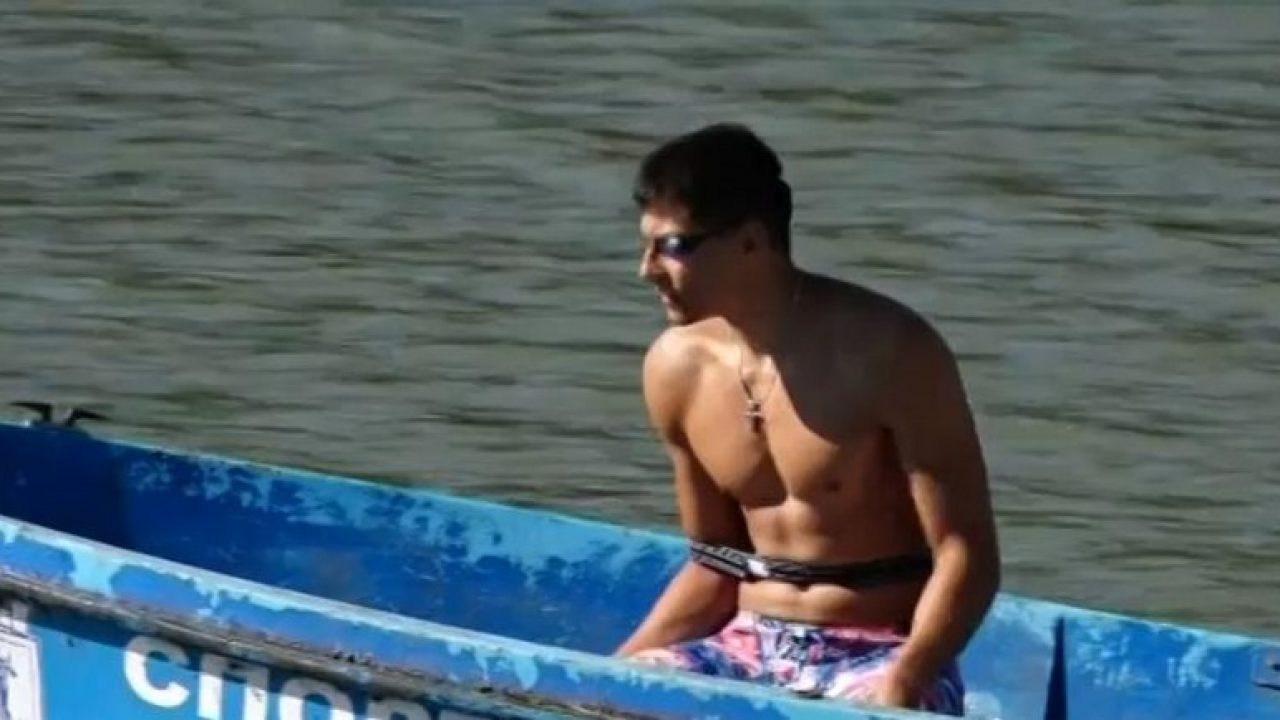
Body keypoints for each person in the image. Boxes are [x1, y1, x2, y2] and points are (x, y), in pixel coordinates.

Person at [614, 123, 1001, 716]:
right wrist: (610, 673)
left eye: (673, 247)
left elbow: (965, 554)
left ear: (751, 241)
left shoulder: (890, 349)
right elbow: (715, 561)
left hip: (880, 653)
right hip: (745, 645)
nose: (647, 269)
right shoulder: (675, 367)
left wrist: (905, 681)